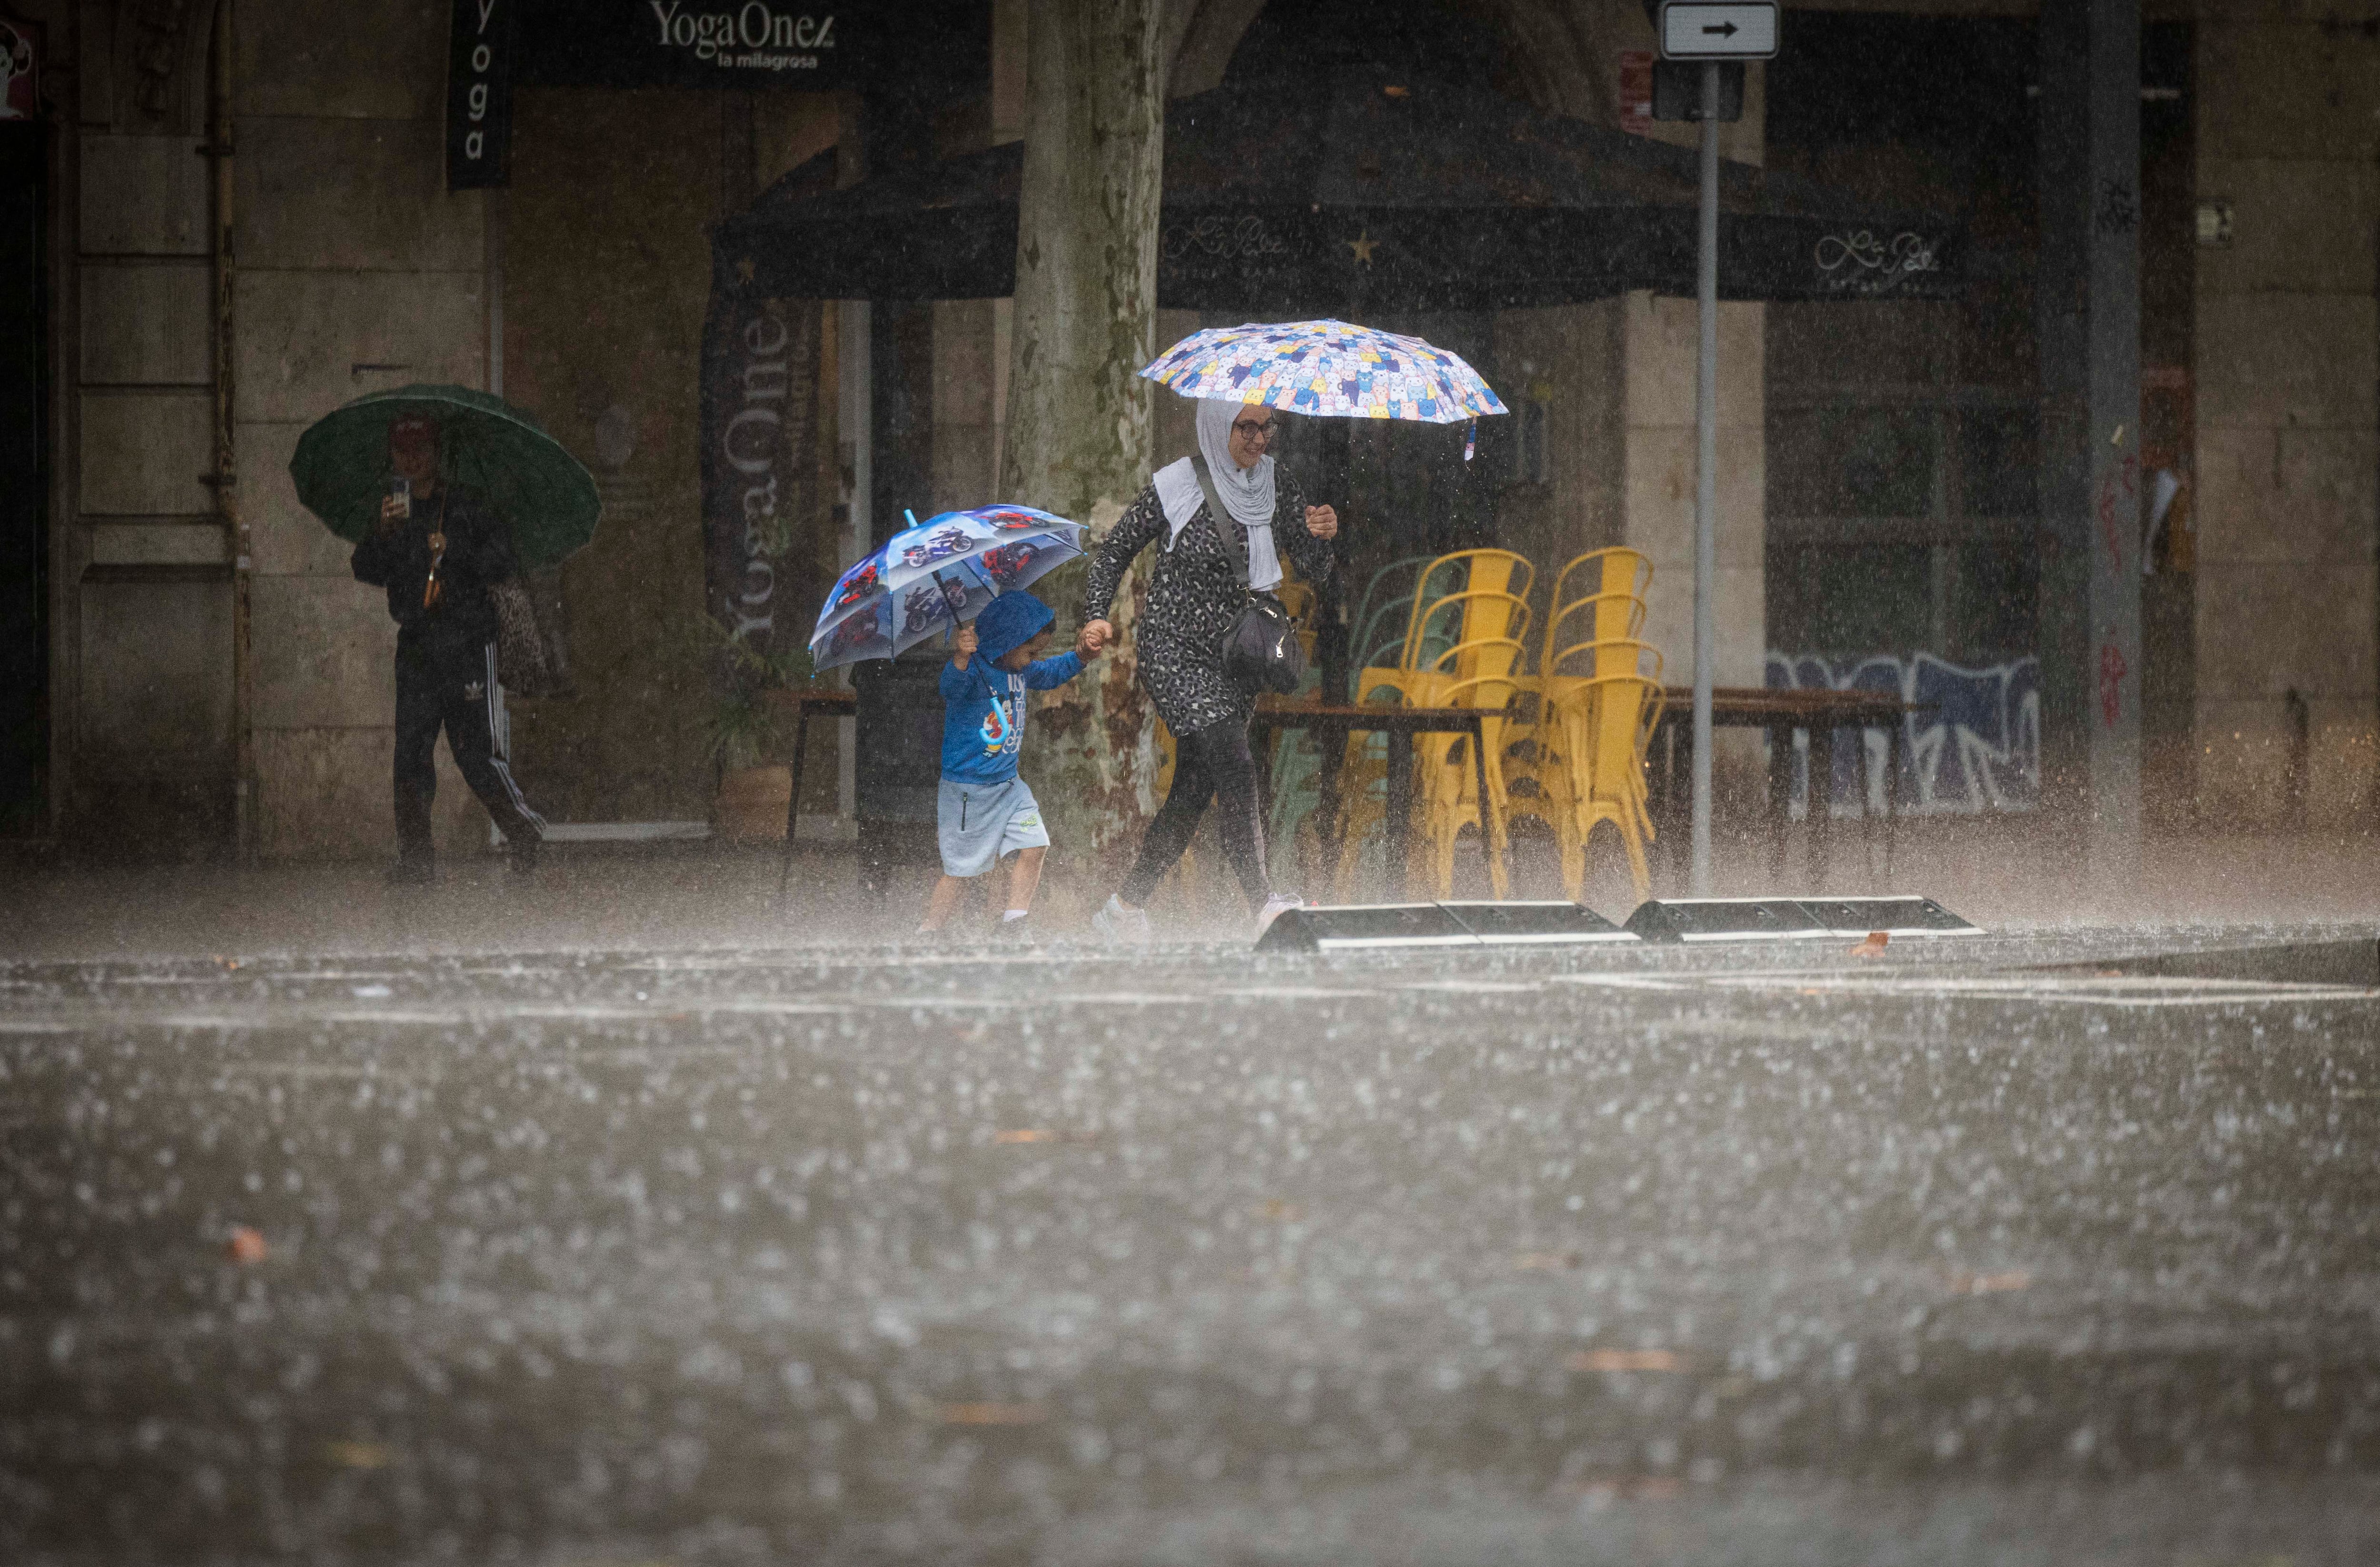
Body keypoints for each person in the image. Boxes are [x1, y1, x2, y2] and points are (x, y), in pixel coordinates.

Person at [1079, 399, 1339, 941]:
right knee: (1236, 764)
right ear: (1218, 425)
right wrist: (1095, 615)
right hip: (1176, 650)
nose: (1258, 438)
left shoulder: (1276, 482)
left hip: (1238, 657)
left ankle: (1123, 908)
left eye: (1266, 427)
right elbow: (1114, 552)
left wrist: (1321, 536)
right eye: (1245, 427)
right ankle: (1262, 902)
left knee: (1196, 786)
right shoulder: (1177, 483)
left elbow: (1314, 570)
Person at [350, 413, 545, 884]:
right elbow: (366, 568)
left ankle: (524, 833)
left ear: (436, 452)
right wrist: (383, 534)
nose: (411, 458)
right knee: (411, 756)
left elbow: (501, 561)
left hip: (467, 643)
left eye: (420, 448)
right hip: (417, 646)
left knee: (475, 754)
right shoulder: (392, 510)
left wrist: (452, 547)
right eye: (402, 449)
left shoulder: (468, 505)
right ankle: (417, 861)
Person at [919, 590, 1101, 942]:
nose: (1035, 659)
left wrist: (1081, 655)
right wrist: (960, 656)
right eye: (1031, 651)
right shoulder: (973, 670)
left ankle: (1014, 924)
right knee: (961, 871)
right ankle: (928, 931)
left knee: (1036, 846)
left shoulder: (1022, 670)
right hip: (969, 792)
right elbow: (949, 689)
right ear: (1007, 641)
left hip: (1009, 786)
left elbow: (1050, 673)